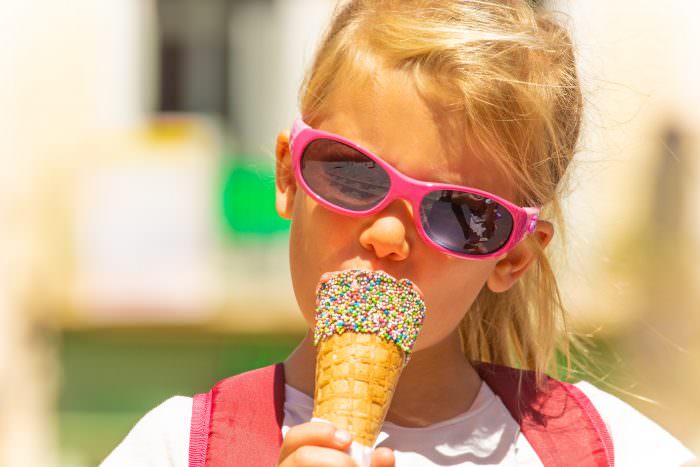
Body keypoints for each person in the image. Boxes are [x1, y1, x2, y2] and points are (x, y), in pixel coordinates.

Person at [101, 0, 698, 466]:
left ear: (512, 257)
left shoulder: (618, 452)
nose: (387, 234)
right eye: (352, 174)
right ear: (287, 176)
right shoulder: (178, 450)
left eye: (460, 213)